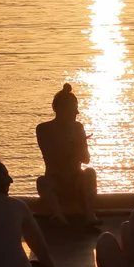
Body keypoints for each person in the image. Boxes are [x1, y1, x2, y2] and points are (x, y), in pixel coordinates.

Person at [35, 83, 100, 225]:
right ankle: (59, 217)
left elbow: (86, 159)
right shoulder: (43, 129)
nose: (75, 115)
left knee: (90, 173)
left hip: (76, 181)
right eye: (72, 111)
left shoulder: (78, 127)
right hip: (55, 181)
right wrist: (70, 147)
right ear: (59, 109)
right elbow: (51, 157)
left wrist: (80, 144)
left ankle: (90, 215)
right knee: (42, 182)